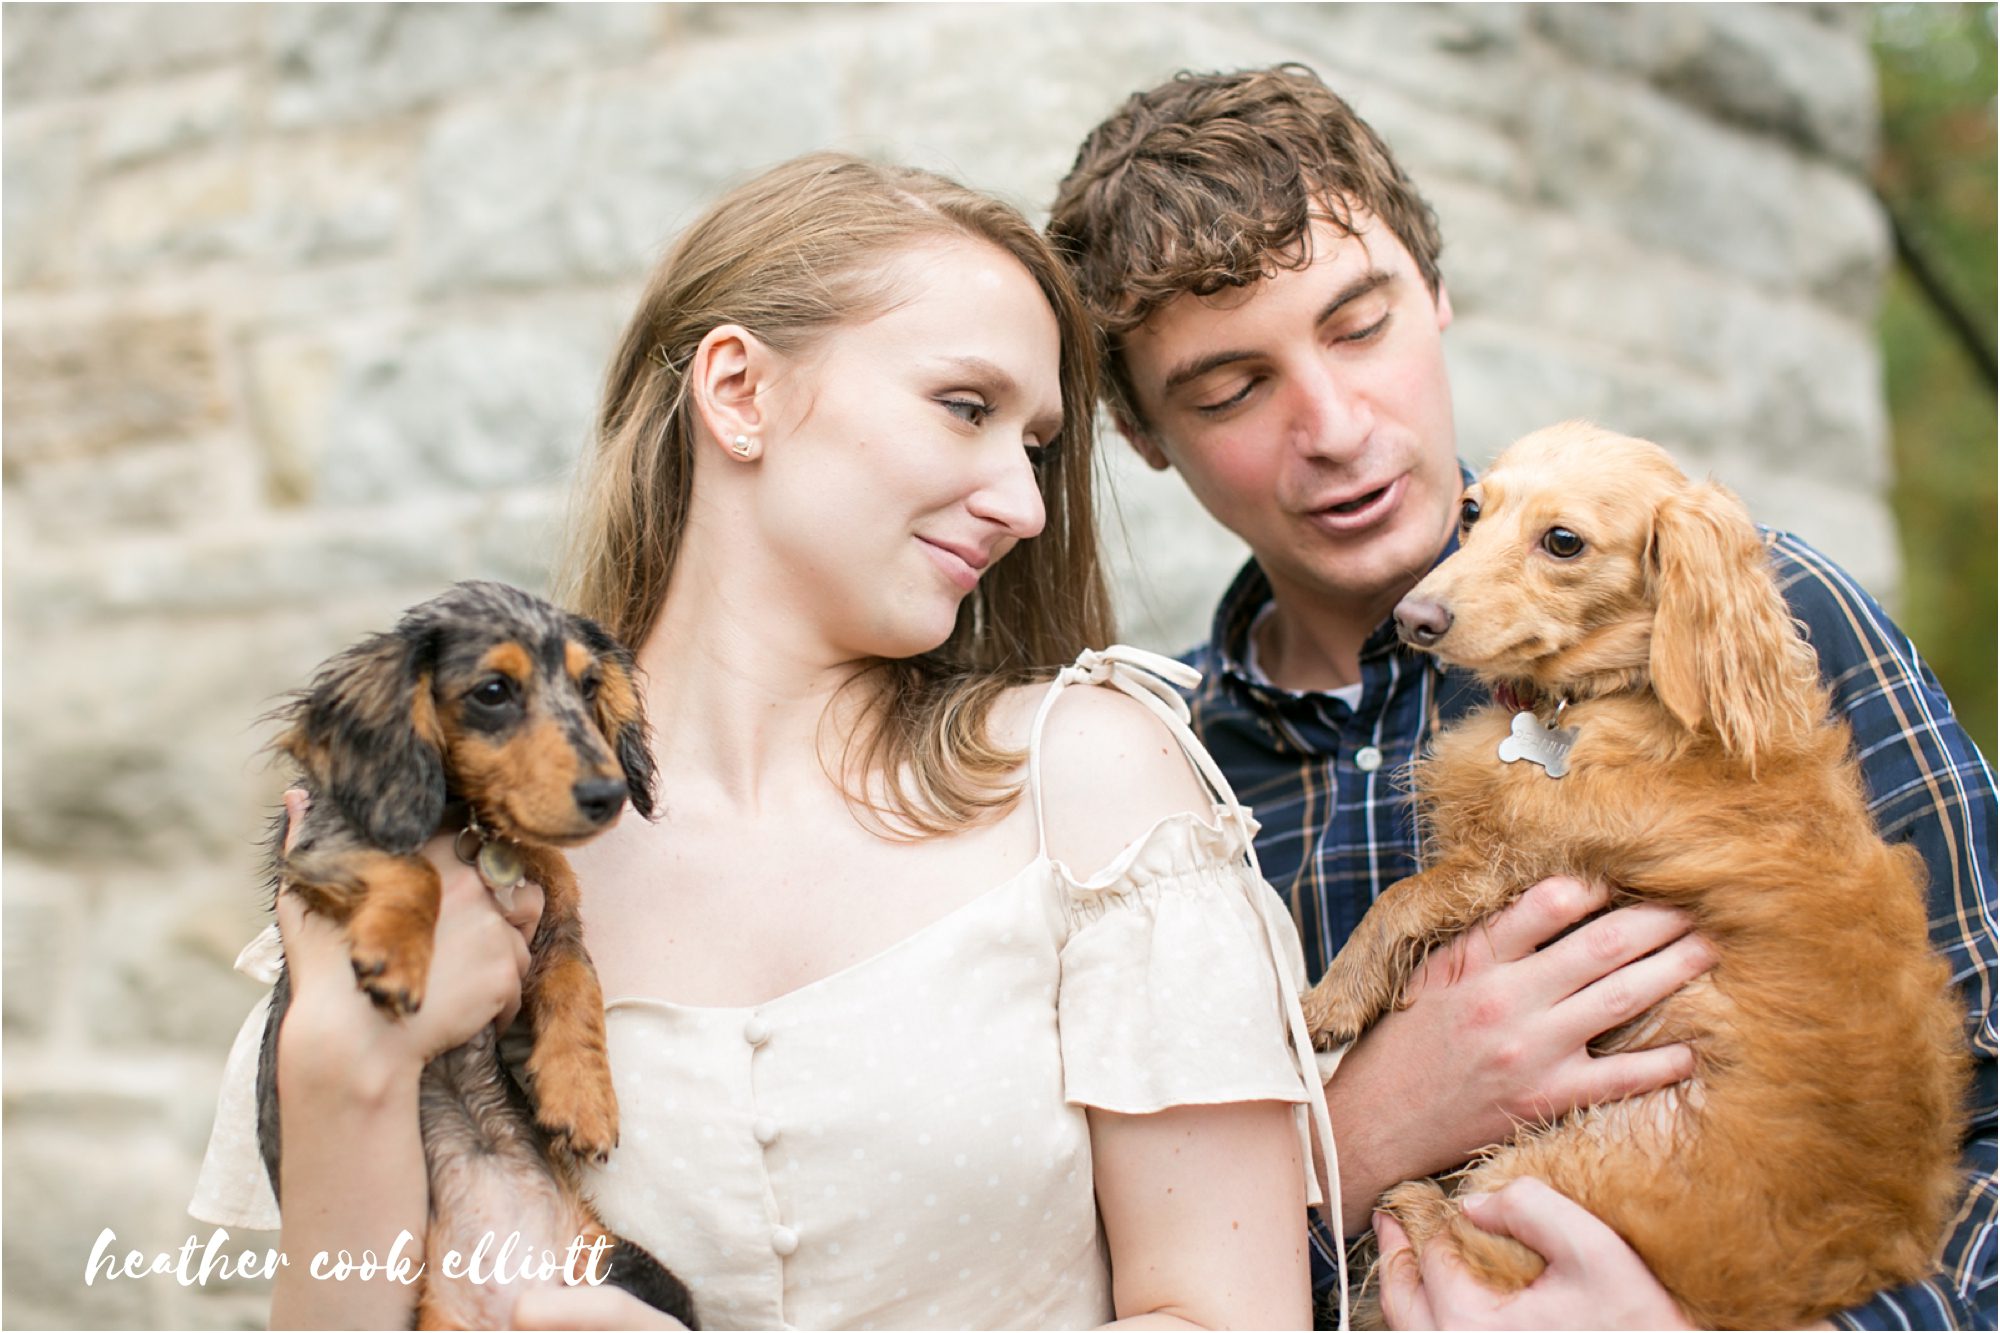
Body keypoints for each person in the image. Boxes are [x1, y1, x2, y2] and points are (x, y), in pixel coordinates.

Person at [190, 151, 1334, 1330]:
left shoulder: (1086, 784)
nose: (1025, 503)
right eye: (965, 407)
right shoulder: (457, 849)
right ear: (737, 390)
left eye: (1035, 446)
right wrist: (348, 1059)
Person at [1048, 64, 1996, 1330]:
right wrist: (1359, 1132)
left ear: (1435, 295)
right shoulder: (1153, 792)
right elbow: (1090, 1266)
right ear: (1143, 437)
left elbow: (1979, 1125)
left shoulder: (1747, 621)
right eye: (1230, 389)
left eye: (1358, 324)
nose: (1331, 425)